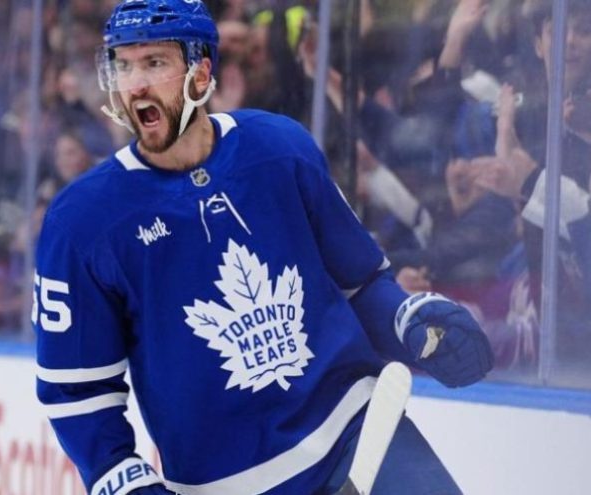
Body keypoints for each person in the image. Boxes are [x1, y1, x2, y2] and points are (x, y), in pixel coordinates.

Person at [33, 1, 493, 494]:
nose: (135, 84)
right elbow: (77, 391)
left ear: (200, 72)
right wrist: (116, 475)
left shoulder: (279, 148)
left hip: (356, 435)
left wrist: (407, 319)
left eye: (154, 63)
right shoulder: (81, 221)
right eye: (123, 65)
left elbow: (360, 284)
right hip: (225, 482)